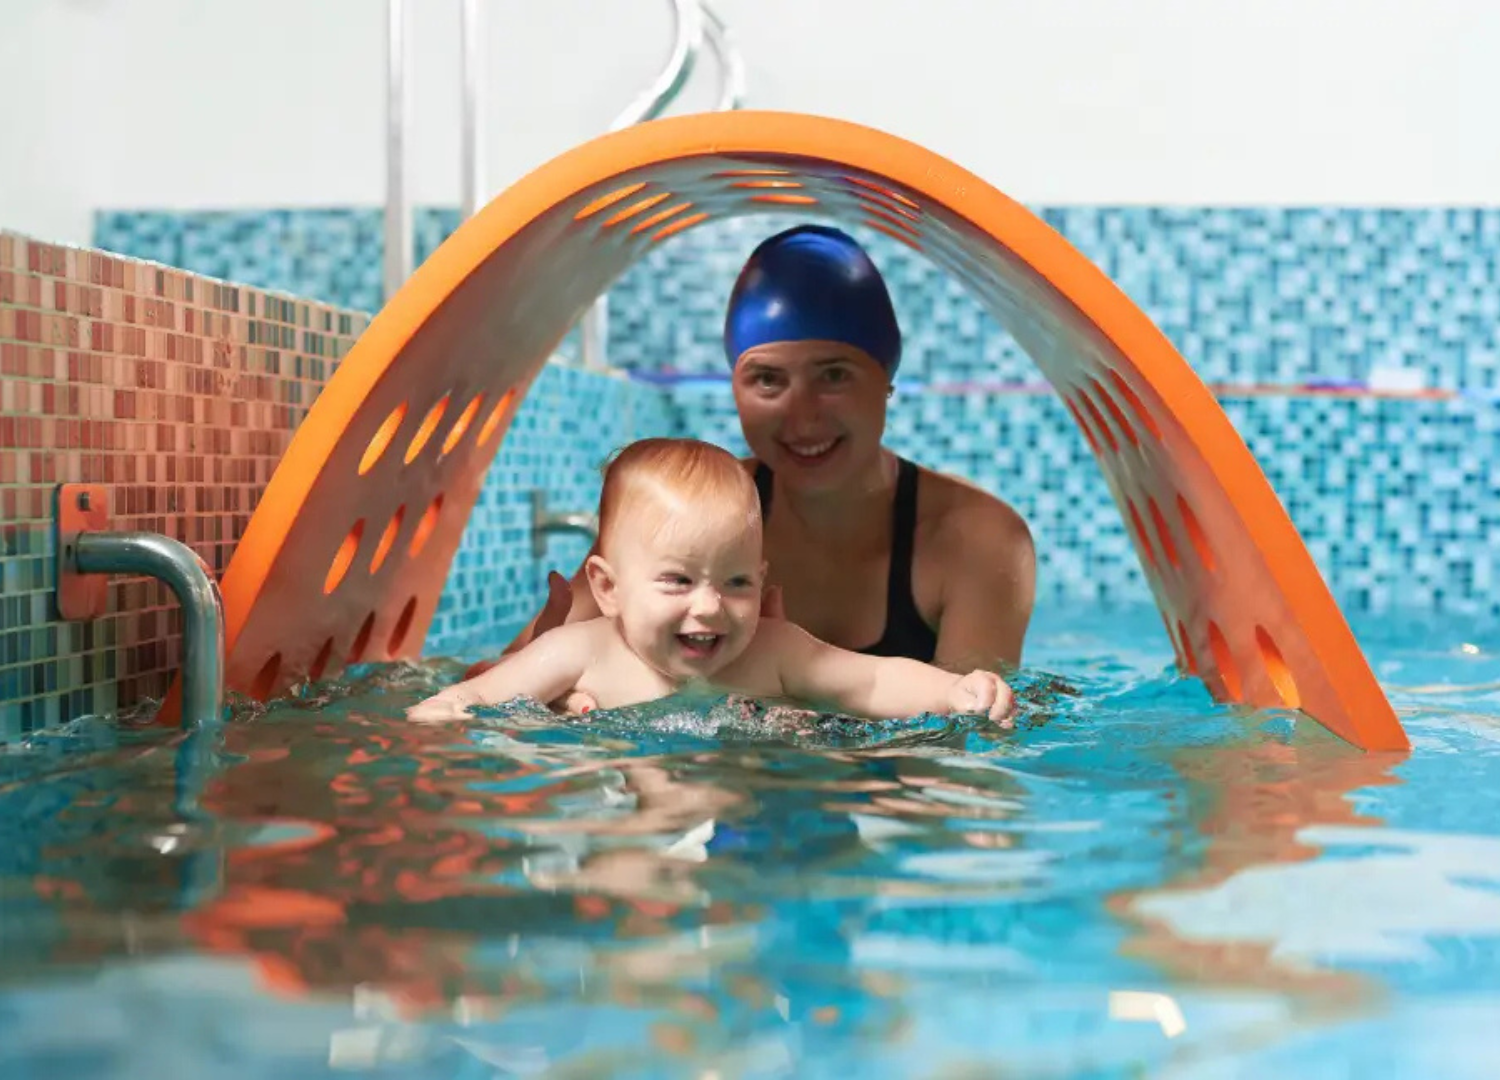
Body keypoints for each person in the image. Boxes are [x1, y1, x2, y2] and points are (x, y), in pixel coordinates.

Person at [485, 222, 1036, 682]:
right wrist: (560, 691)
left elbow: (967, 757)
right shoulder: (686, 515)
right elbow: (499, 682)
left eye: (834, 375)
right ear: (735, 389)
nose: (803, 416)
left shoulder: (976, 542)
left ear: (886, 379)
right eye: (767, 380)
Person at [408, 439, 1013, 724]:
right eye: (677, 581)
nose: (711, 607)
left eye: (737, 582)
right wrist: (449, 708)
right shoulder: (578, 654)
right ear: (609, 587)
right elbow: (485, 696)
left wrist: (954, 691)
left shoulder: (775, 651)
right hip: (619, 810)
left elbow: (872, 677)